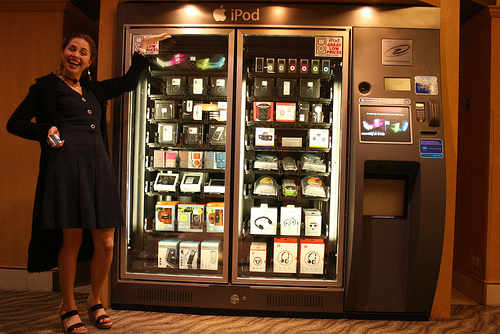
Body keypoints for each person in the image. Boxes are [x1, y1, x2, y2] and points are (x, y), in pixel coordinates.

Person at [7, 32, 171, 333]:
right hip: (65, 168)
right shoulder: (44, 87)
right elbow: (13, 123)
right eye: (72, 49)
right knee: (72, 240)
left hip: (99, 167)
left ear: (89, 61)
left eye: (83, 52)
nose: (76, 55)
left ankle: (94, 300)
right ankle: (68, 305)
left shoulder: (93, 89)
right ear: (62, 52)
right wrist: (46, 130)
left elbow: (128, 82)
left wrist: (143, 49)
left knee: (106, 243)